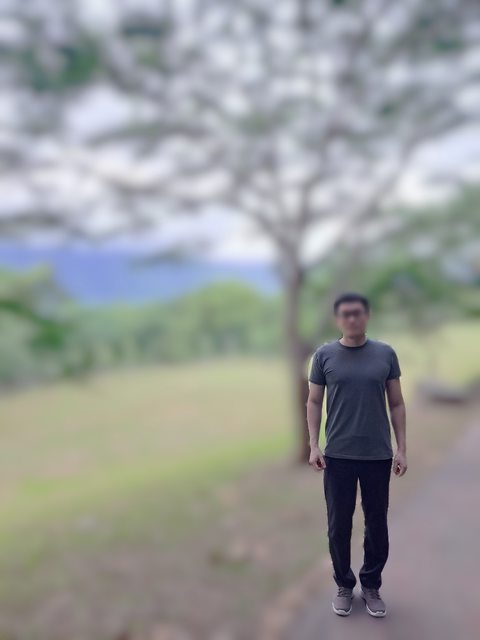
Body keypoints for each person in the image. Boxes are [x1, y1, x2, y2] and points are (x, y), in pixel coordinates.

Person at [306, 291, 407, 618]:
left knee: (376, 524)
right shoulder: (324, 356)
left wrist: (402, 449)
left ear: (367, 315)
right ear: (338, 319)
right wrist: (313, 445)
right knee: (338, 525)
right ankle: (344, 585)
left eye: (357, 313)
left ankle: (371, 585)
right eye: (345, 314)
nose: (352, 318)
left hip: (377, 455)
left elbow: (397, 403)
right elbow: (313, 401)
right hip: (338, 456)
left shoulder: (385, 354)